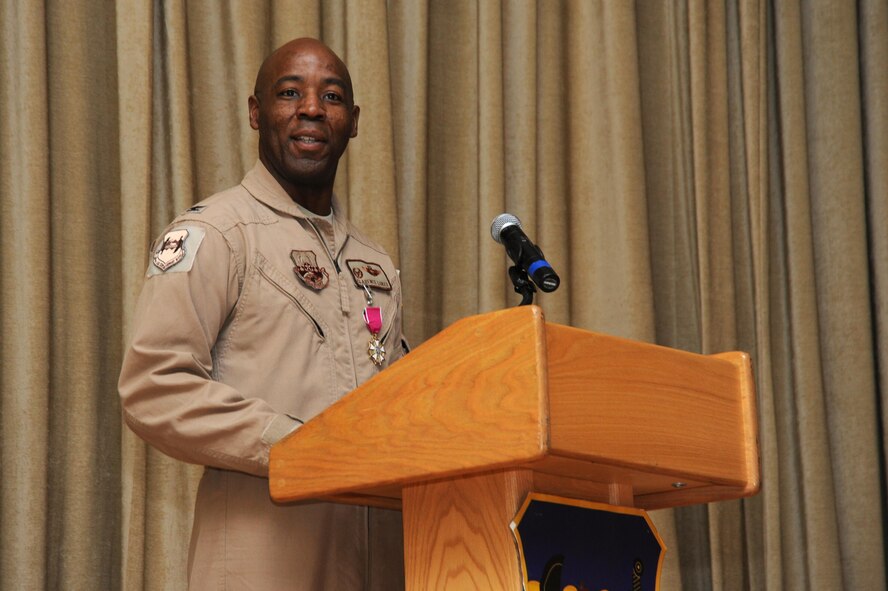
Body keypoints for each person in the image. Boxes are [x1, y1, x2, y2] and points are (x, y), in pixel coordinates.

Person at [119, 38, 406, 590]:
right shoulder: (216, 233)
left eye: (332, 96)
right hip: (265, 562)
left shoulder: (375, 262)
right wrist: (297, 445)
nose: (312, 109)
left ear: (354, 121)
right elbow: (153, 386)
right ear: (256, 113)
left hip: (383, 561)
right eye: (289, 93)